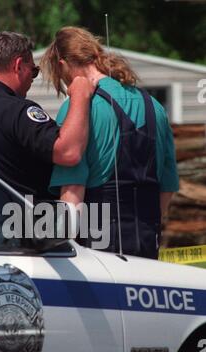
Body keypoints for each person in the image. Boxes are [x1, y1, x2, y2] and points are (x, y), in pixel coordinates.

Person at [40, 26, 179, 259]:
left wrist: (62, 247)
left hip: (99, 253)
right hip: (147, 246)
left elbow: (72, 192)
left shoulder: (79, 109)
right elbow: (167, 186)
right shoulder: (154, 106)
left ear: (62, 64)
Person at [0, 31, 95, 200]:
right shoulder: (18, 112)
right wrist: (80, 93)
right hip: (19, 224)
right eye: (33, 71)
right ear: (18, 65)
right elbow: (68, 152)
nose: (32, 79)